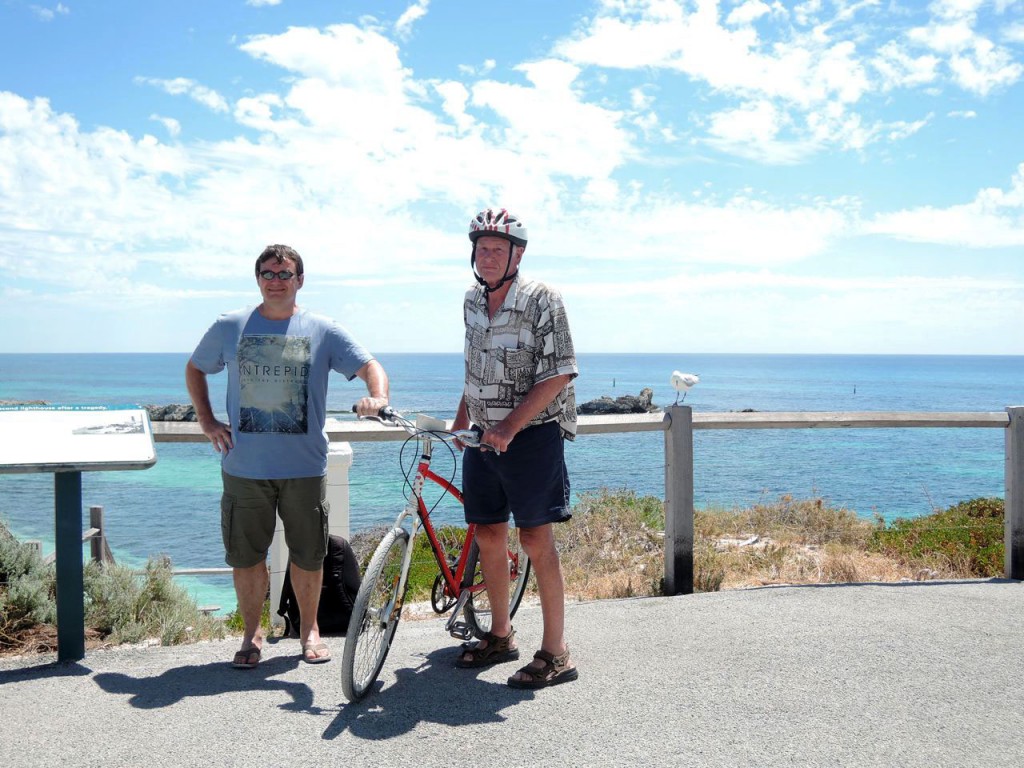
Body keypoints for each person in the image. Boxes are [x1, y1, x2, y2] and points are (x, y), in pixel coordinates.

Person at [186, 244, 388, 669]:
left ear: (300, 279)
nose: (275, 280)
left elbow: (370, 365)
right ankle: (251, 634)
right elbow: (195, 368)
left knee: (309, 556)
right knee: (246, 558)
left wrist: (378, 395)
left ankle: (310, 630)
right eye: (268, 273)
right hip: (244, 469)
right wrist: (207, 421)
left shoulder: (322, 329)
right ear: (257, 278)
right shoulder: (230, 326)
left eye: (285, 273)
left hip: (304, 467)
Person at [451, 208, 579, 688]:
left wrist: (508, 428)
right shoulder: (470, 300)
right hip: (482, 437)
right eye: (481, 249)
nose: (486, 257)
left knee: (534, 539)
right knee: (486, 531)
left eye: (496, 250)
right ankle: (501, 636)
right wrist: (461, 422)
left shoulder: (543, 298)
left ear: (517, 255)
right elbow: (475, 367)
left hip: (531, 437)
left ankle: (556, 652)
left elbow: (561, 372)